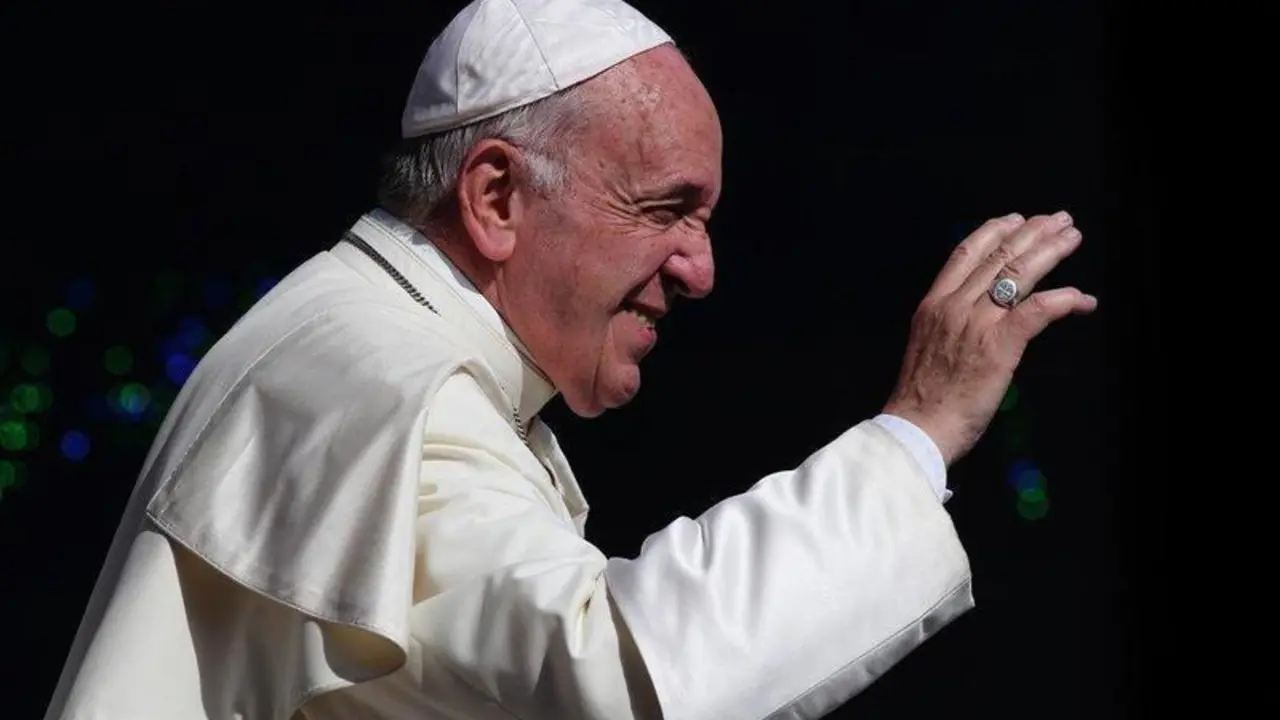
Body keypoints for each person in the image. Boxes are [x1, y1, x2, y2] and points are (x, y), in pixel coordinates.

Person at [43, 1, 1096, 718]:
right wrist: (919, 428)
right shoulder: (381, 380)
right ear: (496, 198)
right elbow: (617, 672)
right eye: (664, 209)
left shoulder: (349, 329)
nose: (699, 270)